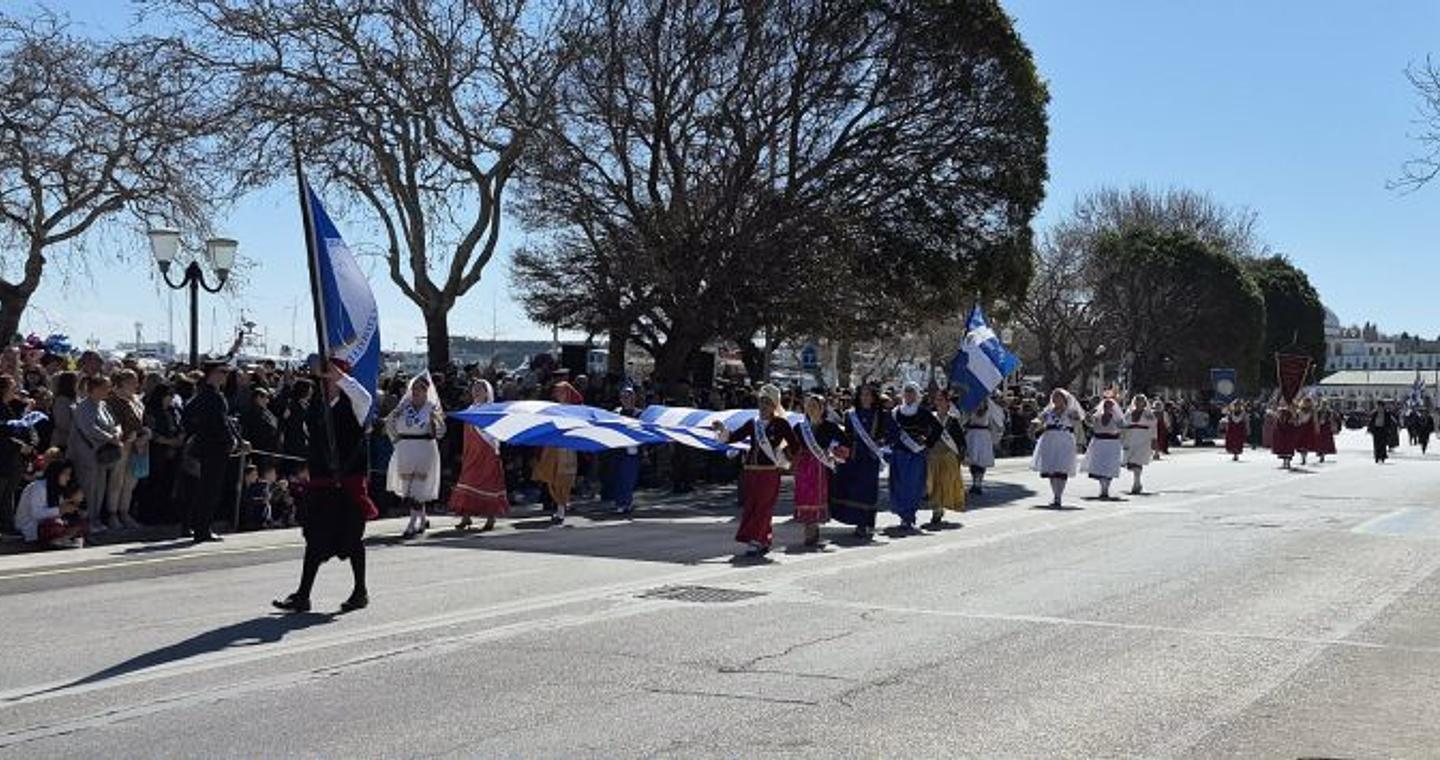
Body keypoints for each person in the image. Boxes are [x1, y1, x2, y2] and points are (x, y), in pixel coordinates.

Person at [274, 359, 376, 614]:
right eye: (324, 378)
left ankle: (360, 591)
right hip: (322, 483)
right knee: (314, 539)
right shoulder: (317, 406)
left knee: (352, 540)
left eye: (330, 378)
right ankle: (303, 595)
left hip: (347, 483)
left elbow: (364, 396)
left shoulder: (355, 404)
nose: (325, 382)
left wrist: (339, 376)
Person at [714, 384, 796, 557]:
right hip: (751, 470)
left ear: (774, 405)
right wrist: (722, 429)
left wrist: (787, 459)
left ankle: (757, 540)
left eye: (767, 402)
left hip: (770, 472)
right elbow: (734, 437)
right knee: (751, 506)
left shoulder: (781, 424)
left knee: (764, 507)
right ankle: (762, 539)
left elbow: (795, 445)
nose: (763, 406)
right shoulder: (753, 423)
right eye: (761, 402)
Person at [184, 361, 242, 542]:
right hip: (213, 448)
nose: (226, 375)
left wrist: (237, 439)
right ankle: (202, 530)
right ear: (212, 373)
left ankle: (198, 526)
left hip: (209, 447)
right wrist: (230, 440)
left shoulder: (208, 394)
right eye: (222, 372)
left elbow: (224, 420)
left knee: (206, 489)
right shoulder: (211, 396)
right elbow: (219, 422)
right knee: (209, 490)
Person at [386, 373, 446, 539]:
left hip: (424, 448)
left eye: (420, 389)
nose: (416, 392)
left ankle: (412, 524)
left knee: (418, 489)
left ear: (427, 391)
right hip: (405, 449)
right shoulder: (403, 408)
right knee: (409, 487)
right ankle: (423, 519)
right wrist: (396, 441)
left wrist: (435, 423)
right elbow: (389, 423)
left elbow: (441, 432)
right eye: (414, 389)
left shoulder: (431, 408)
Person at [449, 379, 509, 531]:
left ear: (487, 392)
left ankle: (490, 517)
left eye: (480, 389)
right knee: (468, 480)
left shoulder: (492, 410)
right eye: (474, 389)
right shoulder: (470, 409)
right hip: (471, 451)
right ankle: (466, 516)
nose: (476, 392)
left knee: (488, 482)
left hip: (487, 450)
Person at [830, 384, 887, 540]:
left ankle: (867, 522)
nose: (865, 397)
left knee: (867, 490)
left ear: (874, 397)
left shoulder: (881, 415)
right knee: (853, 490)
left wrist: (882, 444)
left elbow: (888, 434)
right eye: (863, 394)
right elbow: (845, 435)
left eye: (868, 394)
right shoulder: (850, 415)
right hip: (854, 455)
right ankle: (858, 522)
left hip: (870, 457)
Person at [791, 394, 848, 548]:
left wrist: (834, 452)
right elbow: (791, 445)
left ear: (822, 408)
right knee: (804, 497)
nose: (811, 409)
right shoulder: (800, 427)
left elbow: (844, 442)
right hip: (804, 467)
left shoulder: (830, 427)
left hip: (821, 466)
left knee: (817, 497)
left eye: (815, 406)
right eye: (809, 405)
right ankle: (809, 528)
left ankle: (813, 528)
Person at [69, 375, 122, 534]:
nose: (108, 390)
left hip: (102, 453)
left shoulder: (103, 405)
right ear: (95, 389)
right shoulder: (82, 407)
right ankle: (86, 521)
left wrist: (117, 432)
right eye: (105, 387)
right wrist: (110, 438)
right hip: (86, 453)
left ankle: (96, 518)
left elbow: (115, 423)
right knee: (88, 487)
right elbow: (89, 428)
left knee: (100, 486)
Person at [887, 382, 942, 532]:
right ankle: (902, 514)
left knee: (913, 486)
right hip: (899, 454)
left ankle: (909, 516)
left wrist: (928, 442)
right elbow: (890, 431)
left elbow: (937, 428)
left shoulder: (922, 412)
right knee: (898, 485)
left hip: (916, 455)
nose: (909, 395)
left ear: (917, 394)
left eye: (912, 392)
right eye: (906, 392)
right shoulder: (896, 412)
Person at [533, 381, 583, 526]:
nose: (558, 394)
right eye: (557, 392)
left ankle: (561, 508)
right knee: (551, 478)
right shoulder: (553, 409)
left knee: (563, 480)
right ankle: (560, 505)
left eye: (561, 391)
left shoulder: (574, 411)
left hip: (567, 449)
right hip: (552, 448)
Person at [105, 370, 147, 529]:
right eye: (131, 382)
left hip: (138, 445)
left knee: (130, 481)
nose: (135, 385)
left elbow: (143, 421)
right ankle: (112, 514)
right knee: (116, 480)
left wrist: (145, 433)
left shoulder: (136, 400)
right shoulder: (112, 400)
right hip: (122, 445)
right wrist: (128, 435)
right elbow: (113, 423)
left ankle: (125, 512)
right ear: (121, 383)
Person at [15, 459, 86, 548]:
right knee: (54, 527)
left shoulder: (57, 488)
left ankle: (65, 539)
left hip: (48, 522)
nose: (68, 478)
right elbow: (36, 514)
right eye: (65, 474)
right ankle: (60, 539)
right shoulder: (39, 487)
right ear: (56, 473)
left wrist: (72, 504)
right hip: (31, 525)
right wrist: (60, 510)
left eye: (69, 475)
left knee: (81, 523)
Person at [1031, 388, 1083, 508]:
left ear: (1064, 399)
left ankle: (1059, 495)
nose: (1056, 399)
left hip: (1065, 441)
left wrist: (1075, 416)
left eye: (1058, 397)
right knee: (1052, 469)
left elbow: (1079, 419)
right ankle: (1056, 495)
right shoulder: (1048, 412)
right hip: (1050, 441)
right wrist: (1036, 423)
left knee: (1062, 468)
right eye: (1054, 397)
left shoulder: (1070, 411)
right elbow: (1039, 419)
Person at [926, 390, 966, 527]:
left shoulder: (952, 420)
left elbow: (960, 440)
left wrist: (962, 455)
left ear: (947, 402)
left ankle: (939, 507)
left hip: (948, 456)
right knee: (933, 483)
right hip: (933, 455)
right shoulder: (931, 418)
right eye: (937, 399)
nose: (939, 402)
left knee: (944, 483)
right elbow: (927, 436)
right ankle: (936, 509)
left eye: (941, 400)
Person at [606, 386, 643, 516]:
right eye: (624, 397)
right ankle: (620, 502)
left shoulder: (639, 414)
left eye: (629, 396)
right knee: (617, 477)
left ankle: (626, 502)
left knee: (628, 477)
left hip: (632, 450)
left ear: (634, 398)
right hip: (617, 449)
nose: (626, 399)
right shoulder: (616, 413)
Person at [964, 395, 1005, 495]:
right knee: (973, 460)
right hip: (972, 435)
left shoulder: (989, 410)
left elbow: (995, 422)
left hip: (983, 435)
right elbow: (965, 421)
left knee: (981, 461)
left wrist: (995, 434)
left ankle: (979, 483)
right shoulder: (971, 409)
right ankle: (975, 483)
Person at [1084, 396, 1124, 499]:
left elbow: (1122, 427)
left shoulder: (1117, 418)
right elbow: (1089, 423)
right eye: (1106, 406)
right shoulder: (1097, 417)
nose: (1107, 408)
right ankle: (1103, 487)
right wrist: (1088, 415)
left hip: (1112, 444)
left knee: (1109, 467)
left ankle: (1106, 488)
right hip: (1099, 443)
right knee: (1100, 466)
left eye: (1110, 406)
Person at [1121, 394, 1157, 494]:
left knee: (1137, 461)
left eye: (1140, 401)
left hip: (1143, 440)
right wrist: (1121, 439)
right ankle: (1137, 482)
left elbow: (1153, 427)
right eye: (1137, 401)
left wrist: (1154, 440)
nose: (1138, 403)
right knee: (1131, 462)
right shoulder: (1129, 414)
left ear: (1144, 403)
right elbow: (1123, 426)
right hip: (1130, 439)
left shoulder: (1148, 415)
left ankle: (1136, 483)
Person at [1270, 401, 1298, 469]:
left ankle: (1287, 462)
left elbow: (1295, 421)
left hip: (1289, 431)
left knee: (1288, 447)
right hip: (1282, 431)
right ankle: (1285, 462)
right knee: (1283, 447)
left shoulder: (1292, 412)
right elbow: (1277, 420)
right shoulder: (1280, 411)